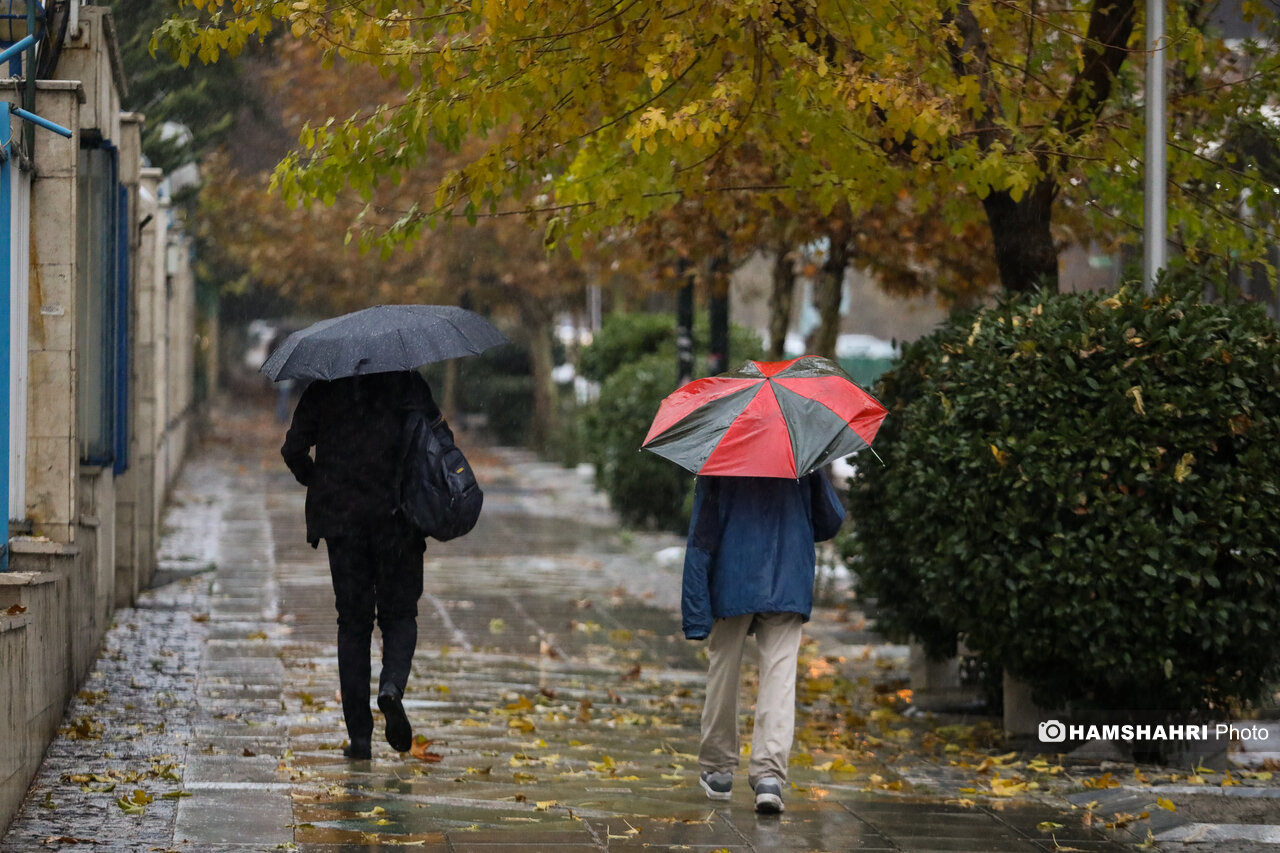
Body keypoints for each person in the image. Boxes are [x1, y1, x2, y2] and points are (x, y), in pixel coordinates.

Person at [281, 369, 438, 759]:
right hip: (397, 520)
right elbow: (435, 441)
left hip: (343, 523)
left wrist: (319, 479)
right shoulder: (408, 385)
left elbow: (293, 450)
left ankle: (360, 737)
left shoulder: (325, 390)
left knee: (353, 622)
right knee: (399, 615)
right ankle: (391, 688)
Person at [681, 471, 846, 814]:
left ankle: (718, 768)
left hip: (730, 575)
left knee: (723, 670)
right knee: (780, 676)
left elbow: (702, 534)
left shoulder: (721, 455)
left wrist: (696, 612)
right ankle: (769, 777)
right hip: (787, 576)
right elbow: (830, 521)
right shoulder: (800, 453)